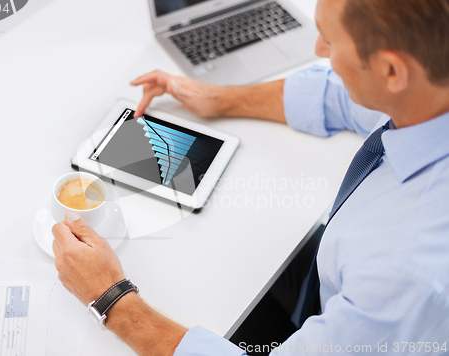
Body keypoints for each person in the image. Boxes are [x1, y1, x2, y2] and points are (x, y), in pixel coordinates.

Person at [52, 0, 449, 354]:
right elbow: (339, 96)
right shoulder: (428, 92)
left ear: (392, 70)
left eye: (329, 40)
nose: (318, 51)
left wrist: (111, 300)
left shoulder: (406, 274)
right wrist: (219, 98)